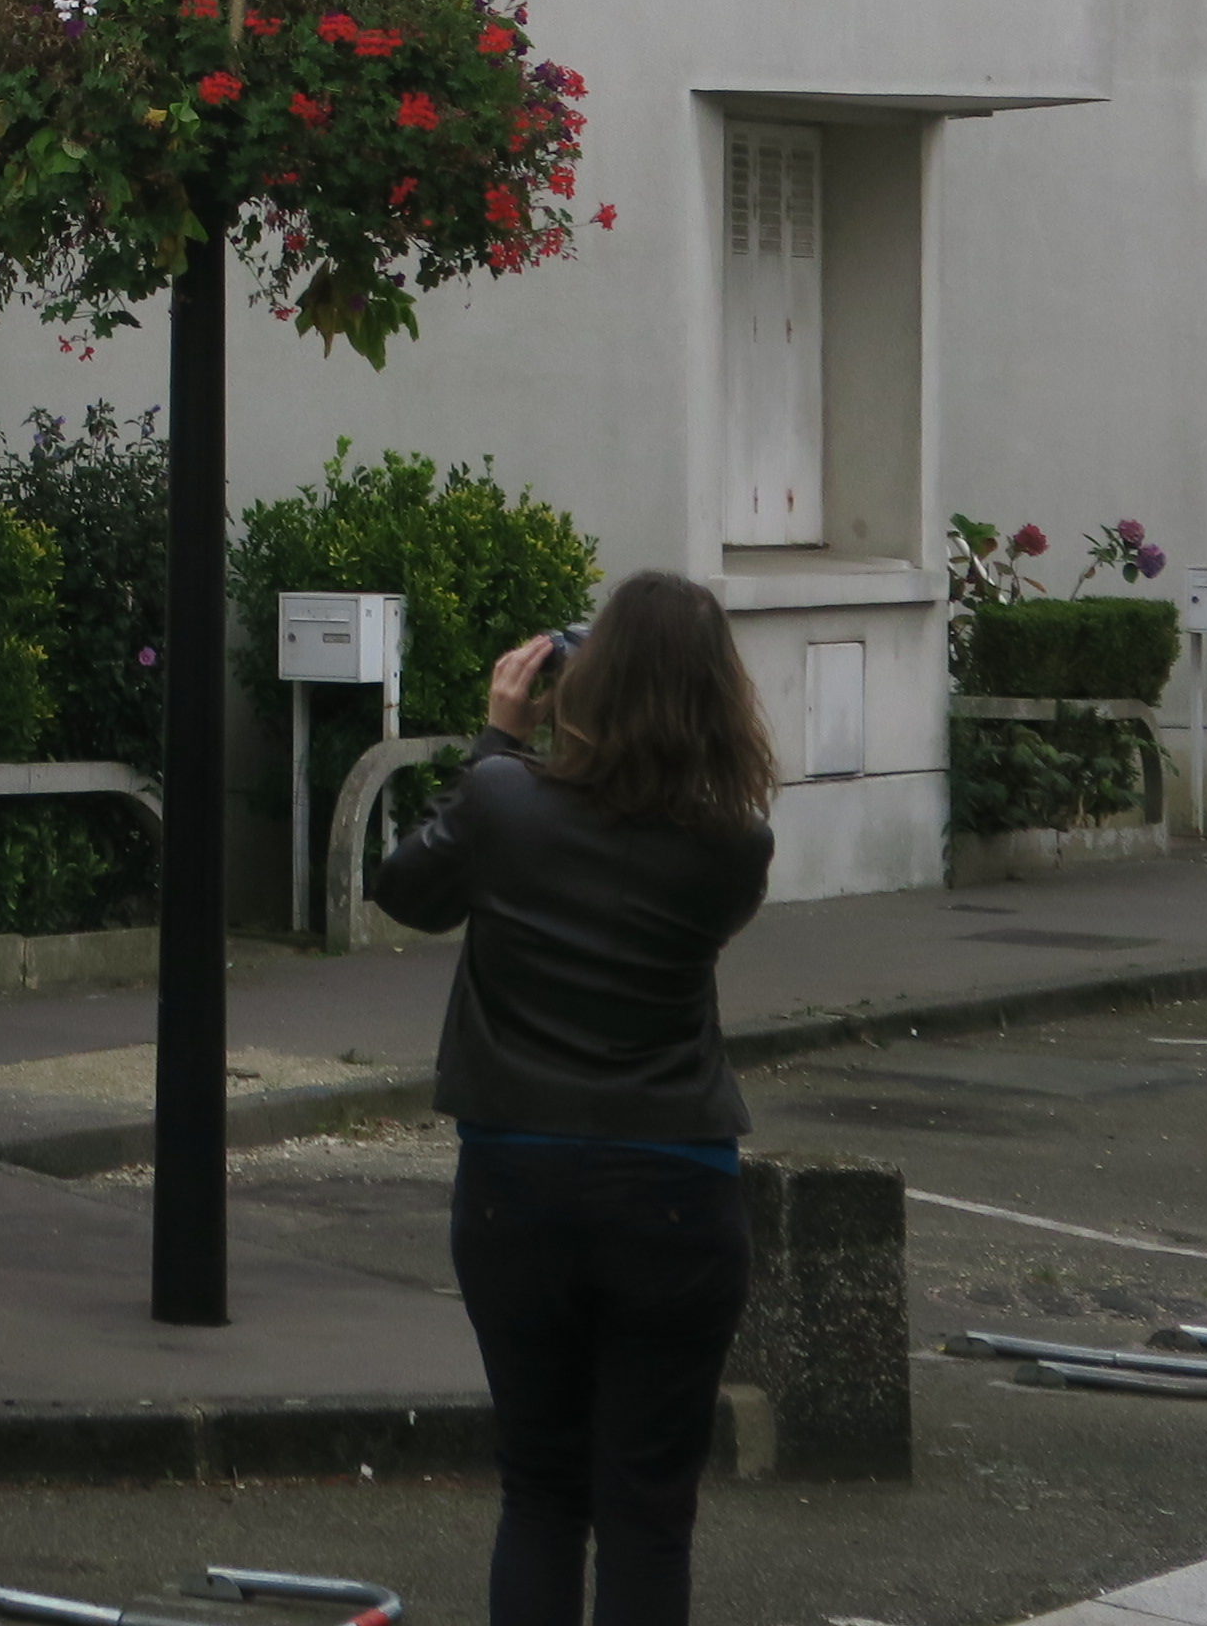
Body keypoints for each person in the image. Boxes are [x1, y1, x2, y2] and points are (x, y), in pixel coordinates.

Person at [366, 571, 780, 1626]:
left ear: (582, 682)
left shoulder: (506, 803)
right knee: (648, 1509)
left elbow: (407, 889)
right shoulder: (736, 846)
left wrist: (497, 740)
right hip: (678, 1185)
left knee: (542, 1492)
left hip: (519, 1177)